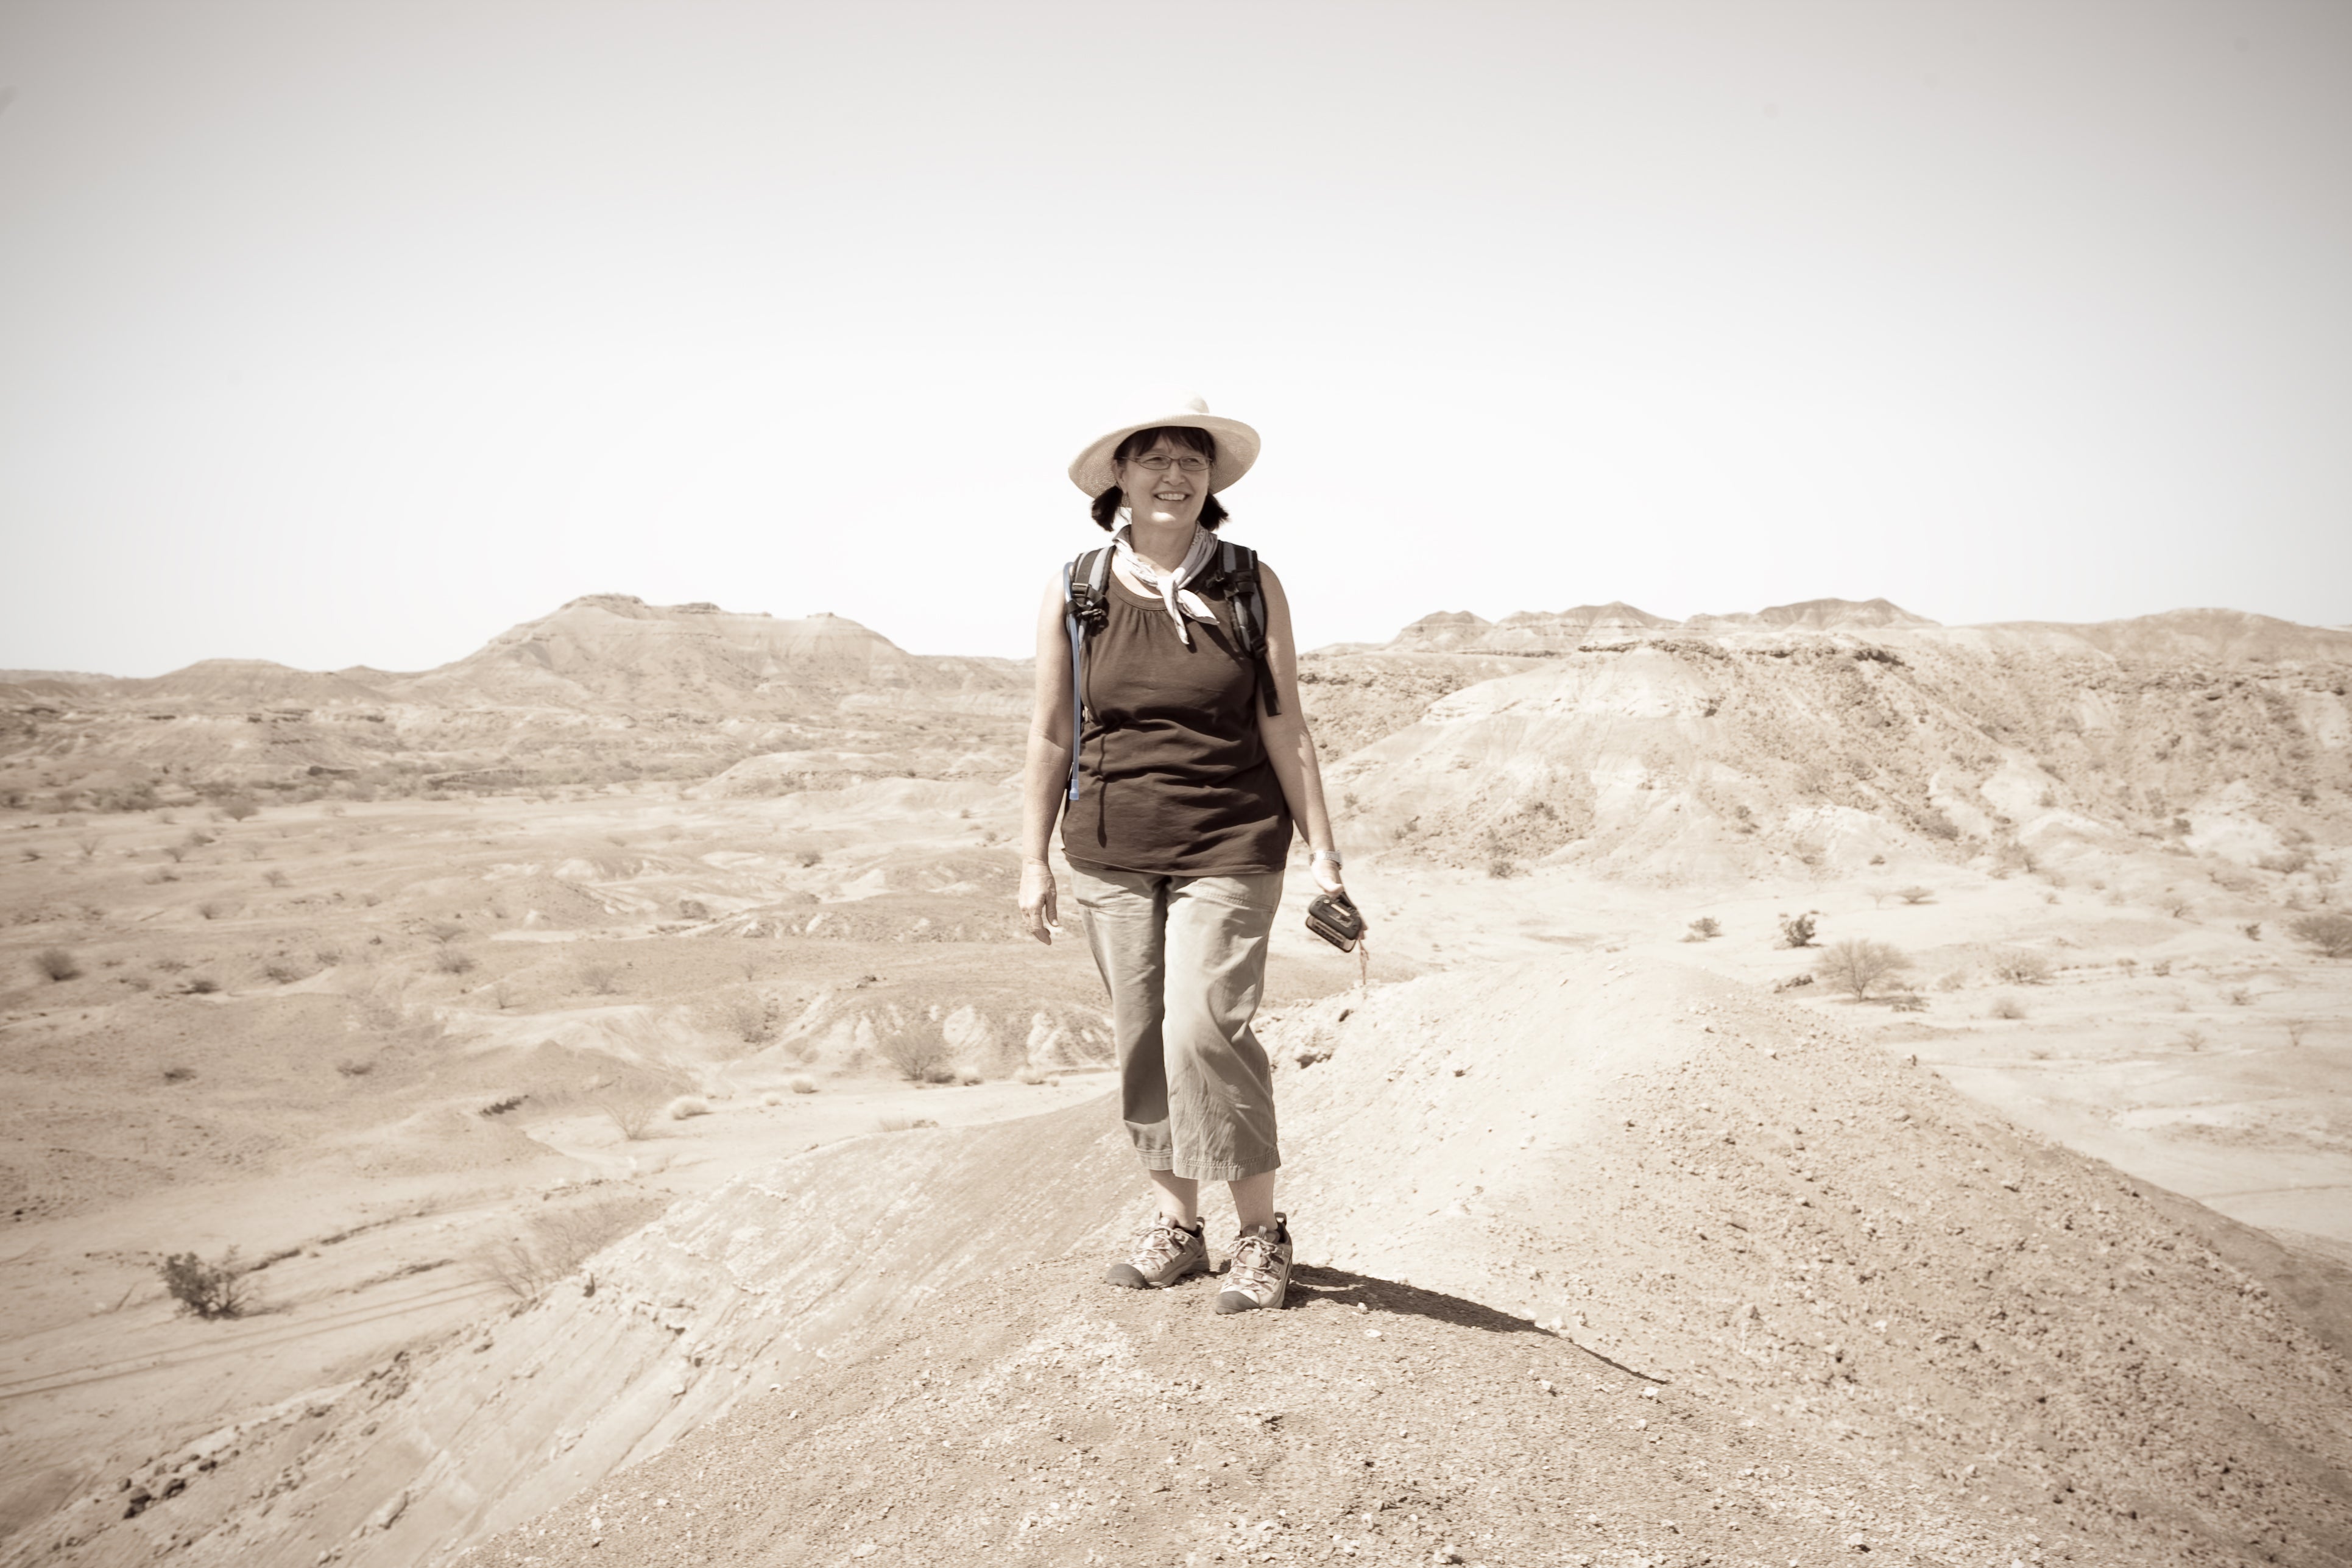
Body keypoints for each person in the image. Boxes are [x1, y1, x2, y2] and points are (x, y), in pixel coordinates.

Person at [1017, 398, 1357, 1315]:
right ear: (1118, 478)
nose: (1176, 475)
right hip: (1107, 847)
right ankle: (1179, 1226)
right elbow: (1052, 731)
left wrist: (1324, 850)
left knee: (1204, 1027)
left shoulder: (1249, 582)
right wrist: (1032, 857)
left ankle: (1261, 1235)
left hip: (1231, 840)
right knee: (1142, 1036)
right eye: (1155, 458)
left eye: (1191, 461)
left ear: (1210, 481)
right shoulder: (1078, 585)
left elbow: (1284, 723)